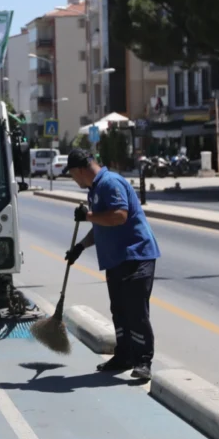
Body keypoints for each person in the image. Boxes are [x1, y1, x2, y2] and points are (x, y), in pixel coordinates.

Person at [64, 148, 160, 380]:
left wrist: (87, 216)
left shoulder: (110, 182)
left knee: (136, 311)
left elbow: (119, 216)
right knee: (119, 310)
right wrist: (80, 246)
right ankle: (124, 355)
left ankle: (143, 361)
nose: (73, 178)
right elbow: (101, 226)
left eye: (72, 174)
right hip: (116, 259)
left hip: (136, 255)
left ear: (79, 170)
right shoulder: (95, 189)